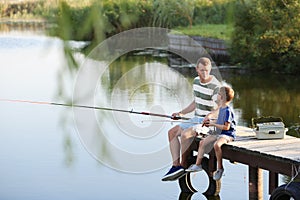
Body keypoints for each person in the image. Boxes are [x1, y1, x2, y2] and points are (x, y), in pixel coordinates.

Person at [162, 57, 221, 181]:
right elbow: (196, 103)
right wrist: (181, 113)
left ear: (210, 69)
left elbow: (220, 109)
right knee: (171, 133)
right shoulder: (196, 82)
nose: (204, 73)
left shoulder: (215, 86)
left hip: (209, 123)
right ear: (197, 69)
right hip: (196, 118)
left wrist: (209, 116)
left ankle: (183, 165)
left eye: (207, 70)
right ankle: (175, 165)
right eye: (202, 70)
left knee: (185, 134)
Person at [186, 86, 236, 181]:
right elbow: (219, 121)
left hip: (227, 134)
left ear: (222, 97)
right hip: (218, 132)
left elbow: (226, 127)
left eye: (218, 94)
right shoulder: (221, 108)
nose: (217, 95)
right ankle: (198, 165)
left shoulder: (227, 111)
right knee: (202, 142)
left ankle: (220, 168)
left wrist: (213, 123)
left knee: (217, 145)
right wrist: (209, 122)